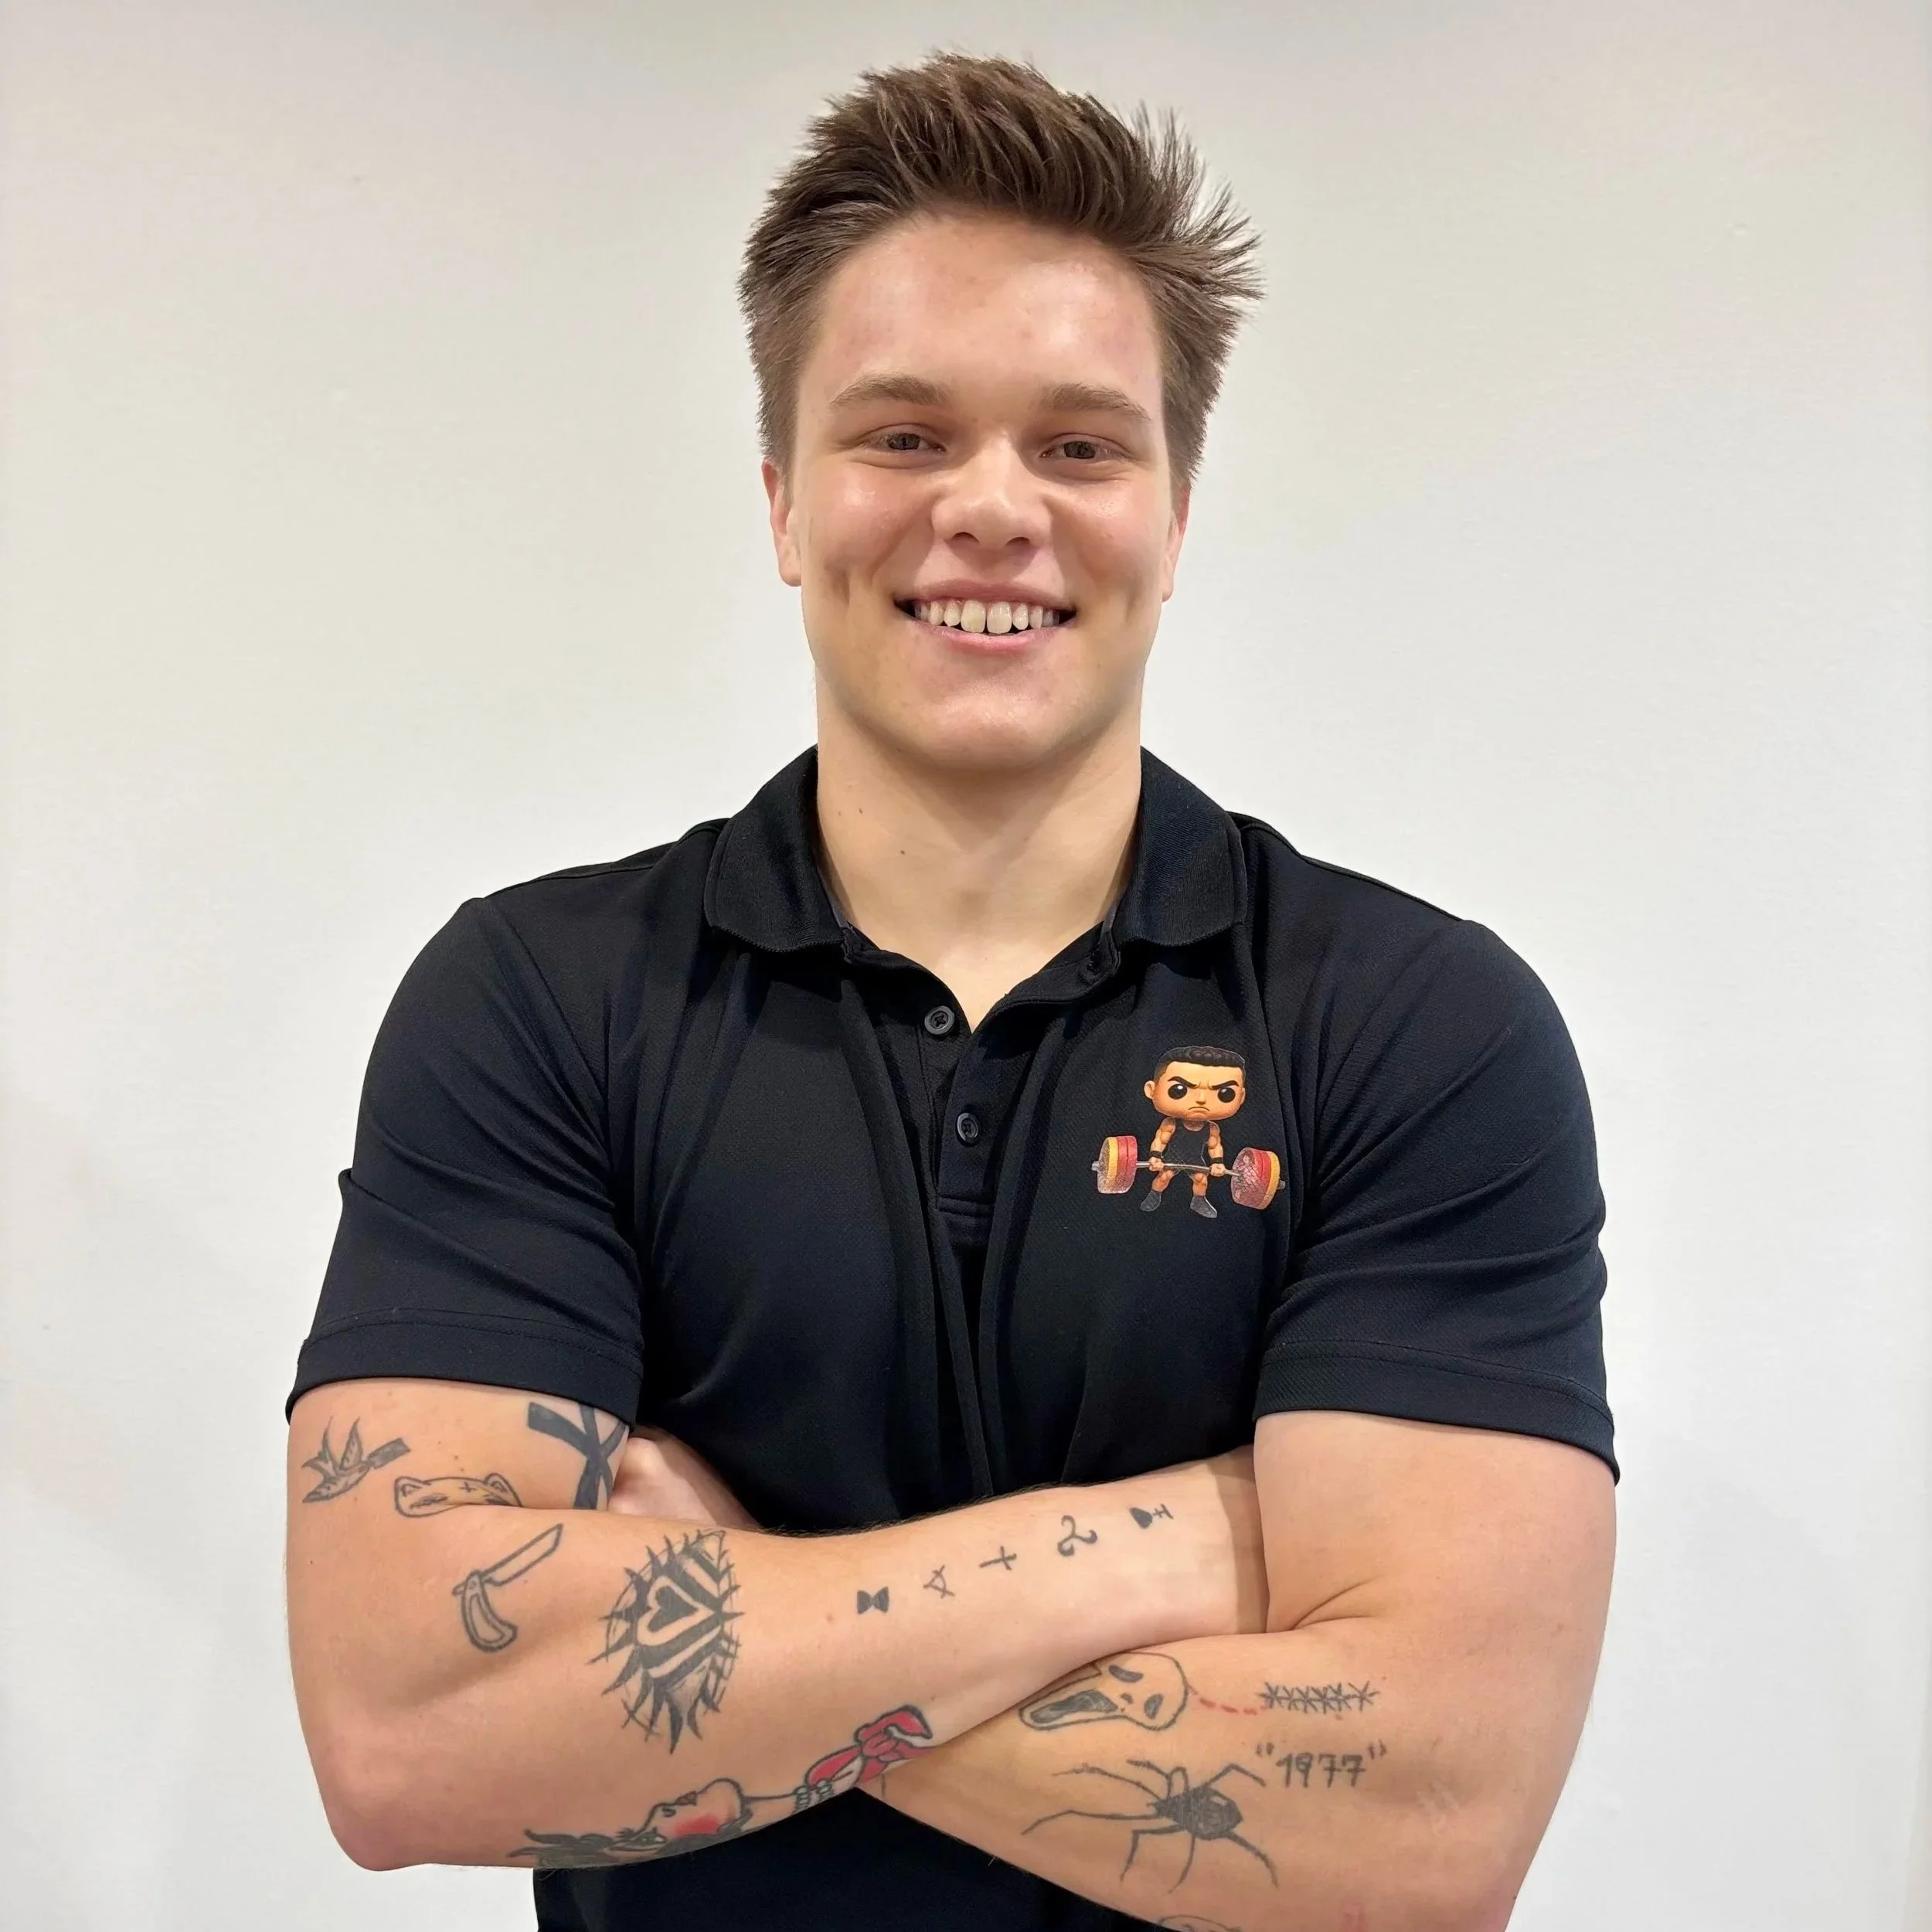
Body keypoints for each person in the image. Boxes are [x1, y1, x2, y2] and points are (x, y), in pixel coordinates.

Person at [284, 51, 1617, 1932]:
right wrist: (1171, 1548)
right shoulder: (537, 1002)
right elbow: (414, 1732)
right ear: (780, 499)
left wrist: (718, 1606)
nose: (990, 509)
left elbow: (1419, 1830)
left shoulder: (1413, 1024)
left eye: (1078, 444)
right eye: (901, 434)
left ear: (1172, 510)